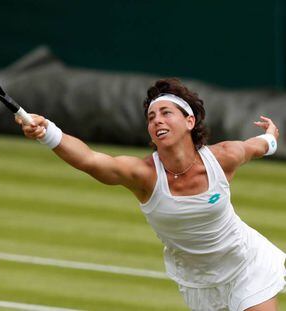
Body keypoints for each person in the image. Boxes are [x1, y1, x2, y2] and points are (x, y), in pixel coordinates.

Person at [16, 78, 286, 311]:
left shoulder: (224, 156)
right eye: (151, 117)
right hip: (199, 280)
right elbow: (90, 160)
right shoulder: (143, 175)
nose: (157, 120)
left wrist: (271, 137)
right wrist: (47, 131)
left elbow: (257, 146)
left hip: (247, 263)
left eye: (166, 113)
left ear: (189, 121)